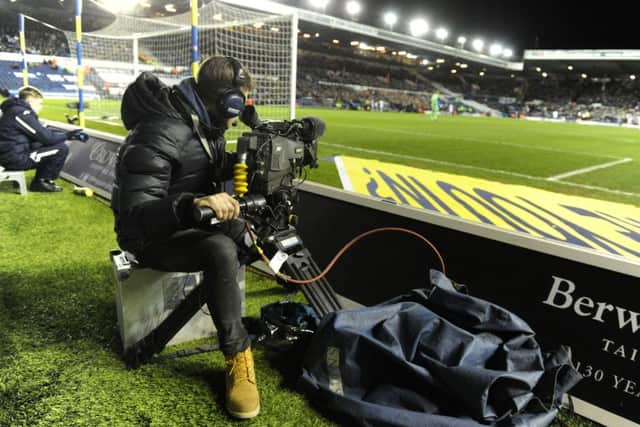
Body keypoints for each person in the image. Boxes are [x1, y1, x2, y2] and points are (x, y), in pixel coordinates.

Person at [111, 56, 260, 419]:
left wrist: (258, 150)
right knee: (221, 249)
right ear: (225, 100)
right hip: (149, 236)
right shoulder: (159, 130)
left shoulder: (199, 121)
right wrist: (193, 205)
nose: (236, 115)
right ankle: (238, 358)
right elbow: (134, 215)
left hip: (187, 220)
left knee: (252, 235)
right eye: (237, 105)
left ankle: (227, 306)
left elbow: (197, 165)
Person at [0, 86, 87, 192]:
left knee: (44, 145)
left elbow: (42, 135)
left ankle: (42, 181)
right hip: (14, 158)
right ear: (30, 101)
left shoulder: (15, 110)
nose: (41, 107)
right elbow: (47, 138)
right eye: (39, 103)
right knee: (61, 149)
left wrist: (65, 135)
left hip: (9, 154)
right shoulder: (22, 114)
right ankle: (41, 182)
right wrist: (68, 136)